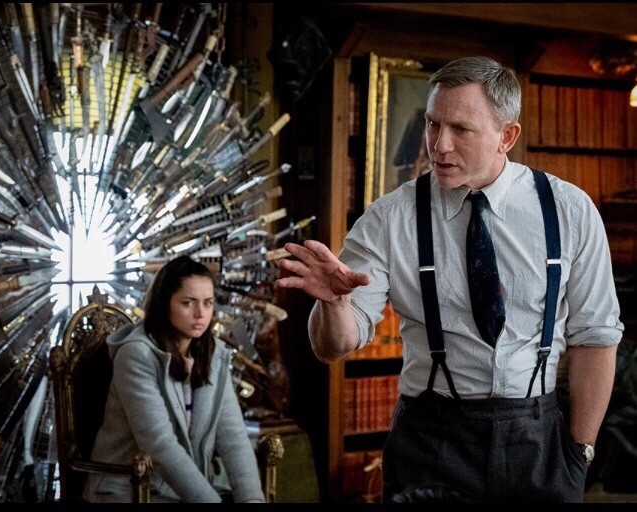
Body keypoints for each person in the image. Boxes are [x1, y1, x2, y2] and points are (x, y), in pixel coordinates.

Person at [276, 56, 624, 503]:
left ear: (507, 136)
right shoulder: (389, 218)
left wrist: (580, 453)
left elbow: (595, 337)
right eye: (432, 124)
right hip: (430, 440)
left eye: (461, 129)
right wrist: (334, 304)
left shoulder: (569, 211)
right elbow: (333, 347)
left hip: (537, 442)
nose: (439, 145)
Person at [83, 256, 264, 503]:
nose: (200, 314)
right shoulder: (136, 355)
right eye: (188, 303)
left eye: (208, 303)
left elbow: (234, 438)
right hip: (131, 490)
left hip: (185, 492)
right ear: (164, 304)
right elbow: (159, 445)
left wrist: (252, 499)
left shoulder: (213, 355)